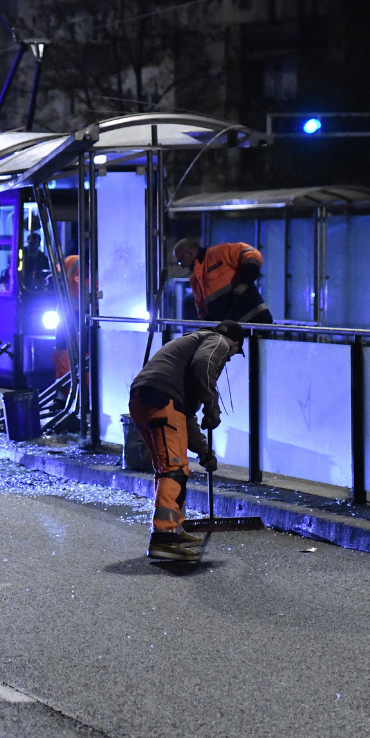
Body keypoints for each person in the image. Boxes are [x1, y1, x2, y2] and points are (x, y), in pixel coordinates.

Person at [128, 320, 247, 563]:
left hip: (151, 400)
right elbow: (204, 365)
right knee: (172, 470)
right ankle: (163, 539)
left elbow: (184, 417)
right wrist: (212, 406)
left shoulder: (187, 356)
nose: (230, 358)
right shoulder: (217, 341)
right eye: (234, 352)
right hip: (159, 400)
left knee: (176, 469)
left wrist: (204, 453)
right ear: (234, 342)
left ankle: (175, 531)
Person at [173, 238, 273, 324]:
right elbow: (203, 313)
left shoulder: (219, 253)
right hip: (233, 331)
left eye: (180, 260)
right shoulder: (195, 282)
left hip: (255, 320)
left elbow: (252, 254)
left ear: (191, 251)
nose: (181, 265)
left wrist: (244, 283)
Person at [52, 254, 81, 380]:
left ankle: (65, 390)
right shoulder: (97, 263)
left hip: (69, 313)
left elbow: (55, 277)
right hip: (78, 314)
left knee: (63, 350)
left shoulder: (71, 261)